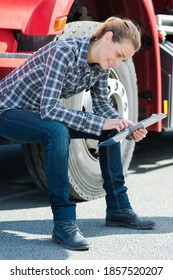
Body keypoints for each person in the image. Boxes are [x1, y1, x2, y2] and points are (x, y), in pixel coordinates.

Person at [0, 17, 155, 251]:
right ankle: (64, 223)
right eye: (119, 55)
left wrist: (126, 125)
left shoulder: (101, 65)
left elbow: (103, 106)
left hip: (37, 114)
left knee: (111, 127)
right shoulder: (64, 52)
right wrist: (100, 123)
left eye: (123, 60)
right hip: (9, 111)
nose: (117, 62)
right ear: (107, 37)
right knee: (57, 131)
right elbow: (50, 109)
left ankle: (119, 209)